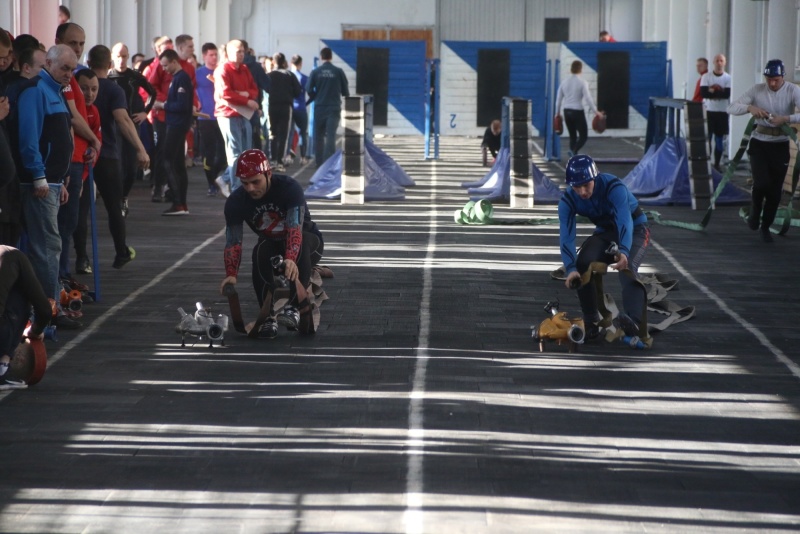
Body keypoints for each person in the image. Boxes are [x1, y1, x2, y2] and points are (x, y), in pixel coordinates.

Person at [219, 149, 323, 339]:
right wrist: (231, 274)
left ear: (268, 174)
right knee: (260, 251)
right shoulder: (236, 201)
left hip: (307, 241)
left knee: (301, 245)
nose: (250, 188)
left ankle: (293, 308)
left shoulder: (289, 188)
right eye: (245, 183)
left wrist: (290, 258)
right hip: (273, 244)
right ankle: (268, 317)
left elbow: (294, 229)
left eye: (255, 181)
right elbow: (233, 242)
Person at [9, 44, 77, 329]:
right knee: (46, 247)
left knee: (49, 245)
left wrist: (58, 180)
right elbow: (29, 138)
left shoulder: (55, 92)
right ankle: (47, 309)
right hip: (38, 183)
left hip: (50, 181)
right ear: (48, 63)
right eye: (64, 68)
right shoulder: (36, 91)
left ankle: (47, 306)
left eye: (72, 69)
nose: (69, 75)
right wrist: (39, 176)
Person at [559, 154, 650, 340]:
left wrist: (624, 251)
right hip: (606, 232)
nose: (583, 192)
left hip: (635, 228)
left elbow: (625, 221)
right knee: (583, 263)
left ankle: (634, 322)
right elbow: (567, 236)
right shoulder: (567, 201)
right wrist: (571, 268)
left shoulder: (613, 187)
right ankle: (591, 321)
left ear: (595, 178)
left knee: (628, 267)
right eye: (577, 187)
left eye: (587, 185)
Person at [86, 45, 150, 268]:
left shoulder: (77, 85)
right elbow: (123, 120)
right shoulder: (114, 90)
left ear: (88, 62)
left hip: (81, 153)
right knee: (114, 206)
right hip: (107, 153)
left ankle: (81, 259)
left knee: (80, 207)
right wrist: (140, 148)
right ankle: (121, 251)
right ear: (110, 64)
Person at [728, 59, 800, 243]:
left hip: (780, 144)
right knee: (761, 183)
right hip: (760, 143)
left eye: (775, 79)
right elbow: (731, 107)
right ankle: (755, 210)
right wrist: (749, 108)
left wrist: (786, 118)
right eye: (769, 79)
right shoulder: (757, 90)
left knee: (775, 192)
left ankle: (765, 227)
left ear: (782, 76)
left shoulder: (792, 90)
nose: (772, 83)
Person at [109, 42, 156, 216]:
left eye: (124, 56)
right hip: (113, 125)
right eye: (118, 56)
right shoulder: (108, 77)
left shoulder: (133, 76)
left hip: (131, 123)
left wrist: (145, 113)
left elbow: (152, 92)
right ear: (113, 57)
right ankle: (117, 198)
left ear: (128, 57)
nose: (121, 60)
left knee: (131, 167)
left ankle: (124, 196)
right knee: (118, 163)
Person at [0, 246, 53, 389]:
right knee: (23, 297)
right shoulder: (14, 256)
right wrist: (35, 330)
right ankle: (2, 367)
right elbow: (44, 309)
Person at [214, 39, 259, 194]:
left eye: (242, 51)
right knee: (235, 154)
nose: (241, 54)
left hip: (244, 114)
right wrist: (247, 99)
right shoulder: (223, 70)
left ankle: (231, 181)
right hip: (228, 115)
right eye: (238, 51)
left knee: (245, 153)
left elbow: (254, 89)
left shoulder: (245, 69)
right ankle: (236, 189)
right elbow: (225, 94)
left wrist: (245, 95)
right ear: (228, 52)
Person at [153, 49, 194, 215]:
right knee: (177, 164)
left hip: (177, 125)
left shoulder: (181, 79)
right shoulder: (177, 79)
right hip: (176, 124)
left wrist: (162, 105)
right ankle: (181, 203)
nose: (163, 69)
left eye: (165, 65)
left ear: (174, 62)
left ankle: (178, 202)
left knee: (168, 160)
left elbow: (183, 105)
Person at [306, 47, 349, 167]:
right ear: (331, 57)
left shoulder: (316, 72)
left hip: (320, 107)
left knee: (318, 136)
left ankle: (319, 163)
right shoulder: (338, 71)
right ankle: (329, 163)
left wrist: (315, 96)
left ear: (321, 57)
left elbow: (308, 88)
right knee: (331, 136)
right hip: (334, 107)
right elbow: (345, 92)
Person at [196, 42, 227, 196]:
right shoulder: (198, 73)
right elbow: (191, 89)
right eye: (211, 55)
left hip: (222, 115)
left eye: (216, 55)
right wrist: (196, 102)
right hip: (205, 118)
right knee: (209, 152)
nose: (214, 58)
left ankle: (218, 177)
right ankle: (211, 184)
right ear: (204, 56)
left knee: (223, 153)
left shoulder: (222, 72)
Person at [555, 60, 603, 157]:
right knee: (583, 136)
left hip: (566, 111)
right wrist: (596, 112)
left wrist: (557, 114)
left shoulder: (564, 82)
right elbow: (588, 98)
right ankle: (573, 151)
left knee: (572, 136)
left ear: (571, 69)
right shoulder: (582, 82)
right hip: (577, 111)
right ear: (581, 69)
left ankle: (573, 158)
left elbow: (558, 100)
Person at [267, 52, 302, 172]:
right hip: (286, 107)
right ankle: (280, 161)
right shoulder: (290, 75)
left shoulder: (269, 74)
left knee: (272, 133)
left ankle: (272, 160)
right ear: (284, 62)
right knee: (284, 135)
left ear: (273, 62)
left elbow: (263, 88)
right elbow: (298, 92)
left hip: (272, 106)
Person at [700, 54, 732, 171]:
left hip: (722, 112)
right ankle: (707, 163)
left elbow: (726, 94)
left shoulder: (728, 78)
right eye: (717, 61)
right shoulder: (706, 77)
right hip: (709, 111)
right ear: (713, 62)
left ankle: (717, 164)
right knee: (707, 138)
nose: (719, 63)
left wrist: (712, 91)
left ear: (724, 63)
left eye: (721, 61)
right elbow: (704, 93)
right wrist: (718, 92)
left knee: (719, 139)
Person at [290, 54, 310, 164]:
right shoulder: (304, 78)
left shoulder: (287, 76)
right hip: (301, 107)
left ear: (290, 63)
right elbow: (313, 93)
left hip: (289, 108)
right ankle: (303, 157)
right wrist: (306, 103)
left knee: (289, 132)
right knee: (303, 133)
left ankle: (288, 155)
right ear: (301, 64)